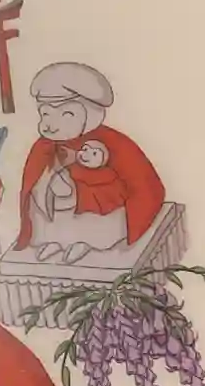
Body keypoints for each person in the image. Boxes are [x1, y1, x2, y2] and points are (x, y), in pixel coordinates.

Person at [13, 62, 165, 262]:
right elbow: (31, 181)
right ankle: (55, 241)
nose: (49, 125)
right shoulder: (44, 146)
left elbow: (144, 183)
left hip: (96, 212)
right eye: (45, 114)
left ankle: (86, 242)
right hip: (55, 211)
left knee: (96, 223)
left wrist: (135, 220)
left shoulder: (113, 142)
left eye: (66, 115)